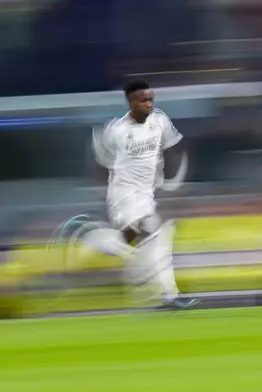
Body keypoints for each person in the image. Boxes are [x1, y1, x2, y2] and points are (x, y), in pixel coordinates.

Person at [82, 80, 198, 310]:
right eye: (143, 100)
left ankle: (98, 239)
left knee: (141, 239)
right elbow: (101, 163)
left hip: (147, 193)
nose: (148, 104)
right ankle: (168, 296)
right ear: (130, 102)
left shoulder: (160, 121)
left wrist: (175, 183)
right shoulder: (116, 131)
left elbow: (175, 147)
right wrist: (100, 190)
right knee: (155, 234)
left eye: (150, 99)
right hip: (123, 193)